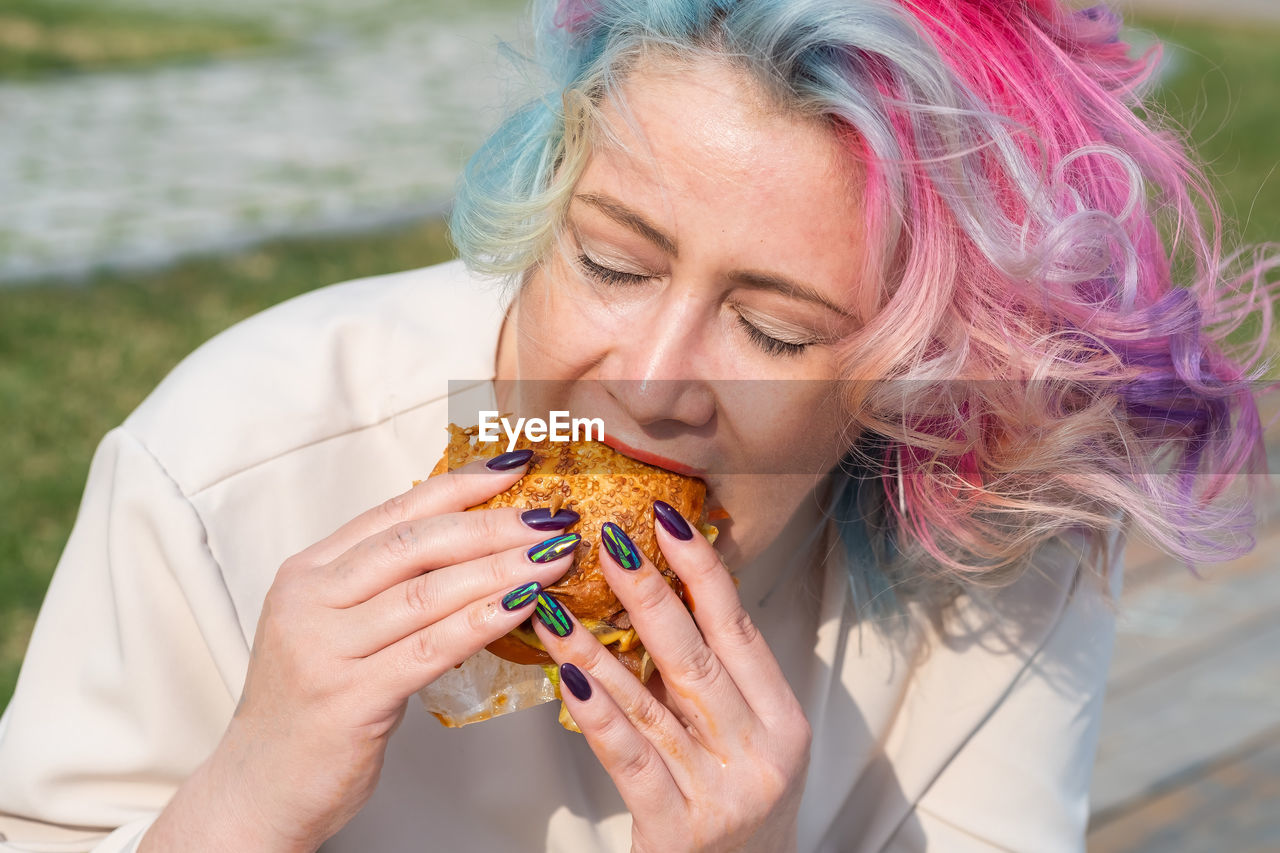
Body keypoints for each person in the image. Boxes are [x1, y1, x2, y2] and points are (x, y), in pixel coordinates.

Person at [0, 0, 1272, 850]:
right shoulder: (234, 458)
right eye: (612, 261)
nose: (647, 377)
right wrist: (246, 790)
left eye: (774, 332)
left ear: (918, 379)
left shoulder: (1004, 552)